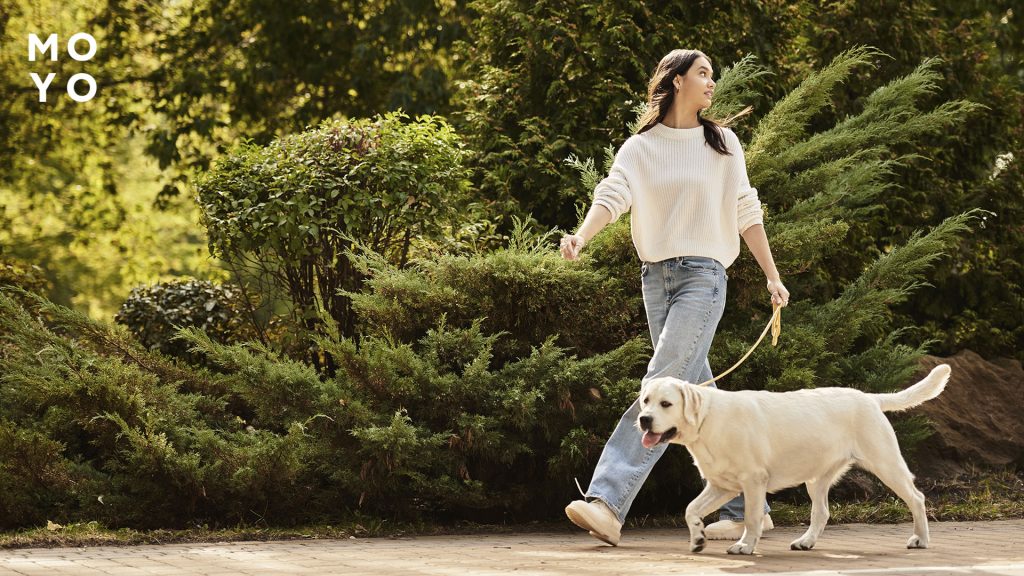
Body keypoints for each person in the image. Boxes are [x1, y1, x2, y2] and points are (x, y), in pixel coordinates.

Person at [559, 49, 790, 546]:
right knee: (697, 392)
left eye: (713, 76)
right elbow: (612, 196)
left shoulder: (723, 144)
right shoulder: (640, 148)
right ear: (677, 81)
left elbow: (746, 209)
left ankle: (607, 502)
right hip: (655, 279)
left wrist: (772, 275)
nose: (711, 83)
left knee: (661, 386)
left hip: (704, 277)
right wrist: (582, 237)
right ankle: (748, 506)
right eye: (703, 74)